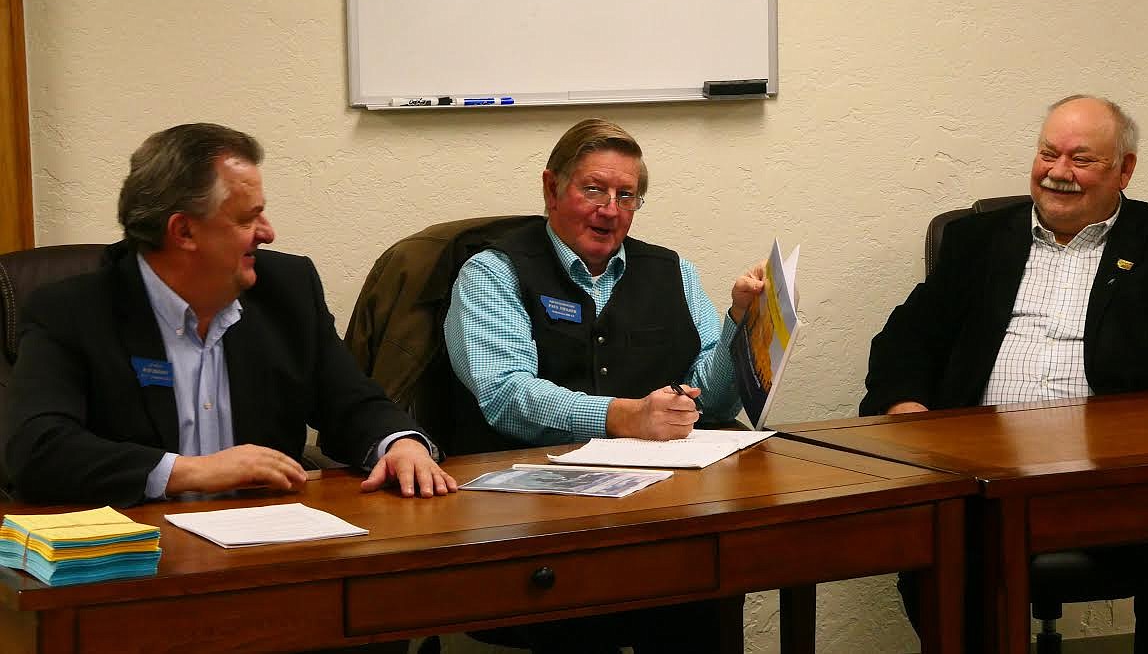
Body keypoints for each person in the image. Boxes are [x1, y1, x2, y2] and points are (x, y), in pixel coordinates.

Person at [4, 123, 457, 507]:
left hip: (267, 547)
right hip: (138, 555)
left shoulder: (287, 289)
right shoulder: (71, 311)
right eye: (247, 219)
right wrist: (189, 472)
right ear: (183, 230)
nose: (268, 232)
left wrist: (400, 443)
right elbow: (37, 450)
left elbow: (350, 402)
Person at [443, 117, 763, 653]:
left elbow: (713, 399)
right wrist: (625, 416)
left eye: (626, 196)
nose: (610, 210)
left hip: (660, 509)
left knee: (713, 585)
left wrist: (739, 324)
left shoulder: (672, 271)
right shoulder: (494, 272)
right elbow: (505, 394)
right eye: (593, 189)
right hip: (538, 517)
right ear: (552, 187)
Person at [861, 95, 1148, 650]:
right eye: (1048, 153)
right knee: (940, 556)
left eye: (1081, 159)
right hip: (982, 479)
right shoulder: (975, 242)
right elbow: (904, 342)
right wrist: (907, 410)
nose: (1058, 173)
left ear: (1124, 170)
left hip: (1116, 485)